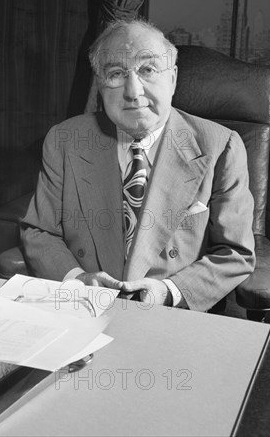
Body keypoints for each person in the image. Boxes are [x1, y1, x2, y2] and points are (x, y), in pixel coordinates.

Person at [20, 19, 255, 311]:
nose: (133, 91)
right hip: (83, 310)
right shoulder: (65, 139)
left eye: (148, 70)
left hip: (170, 317)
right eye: (116, 73)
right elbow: (40, 231)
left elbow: (236, 253)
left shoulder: (220, 146)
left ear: (172, 79)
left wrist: (169, 291)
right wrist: (77, 279)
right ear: (100, 86)